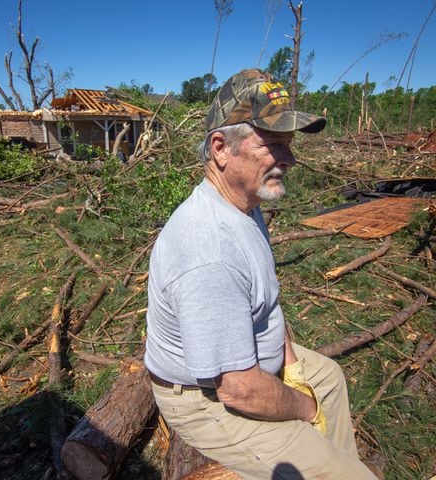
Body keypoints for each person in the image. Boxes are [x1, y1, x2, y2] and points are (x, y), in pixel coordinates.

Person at [144, 69, 378, 479]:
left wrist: (288, 358)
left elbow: (266, 303)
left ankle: (339, 462)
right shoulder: (208, 252)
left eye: (288, 145)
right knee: (325, 424)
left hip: (247, 371)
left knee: (330, 377)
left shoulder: (244, 204)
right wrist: (305, 407)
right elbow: (236, 389)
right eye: (272, 144)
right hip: (210, 401)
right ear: (221, 148)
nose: (288, 160)